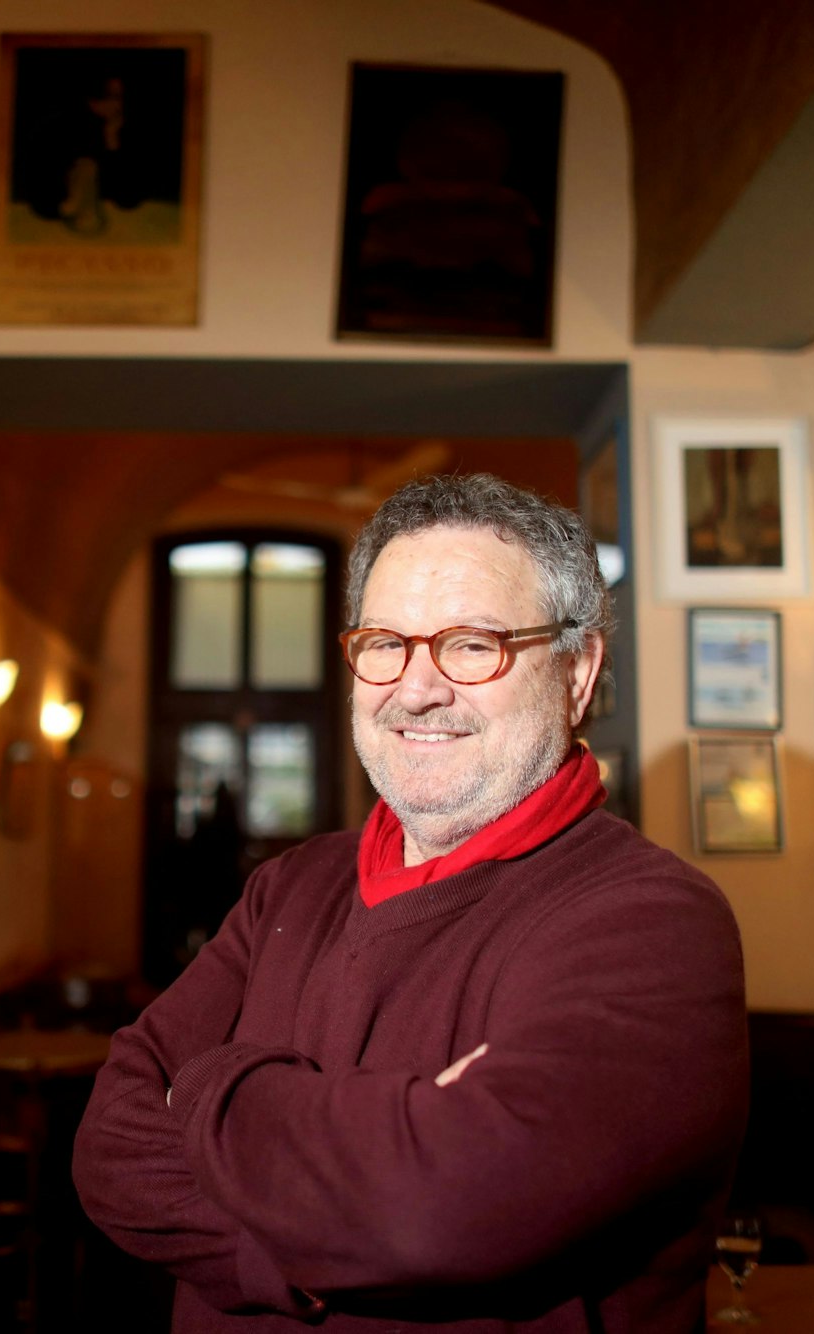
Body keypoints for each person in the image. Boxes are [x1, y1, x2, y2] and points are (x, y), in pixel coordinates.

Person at [73, 474, 747, 1331]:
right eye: (386, 642)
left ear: (577, 674)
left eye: (470, 644)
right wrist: (328, 1229)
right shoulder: (289, 885)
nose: (416, 688)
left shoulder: (654, 922)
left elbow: (439, 1212)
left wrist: (204, 1088)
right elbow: (106, 1150)